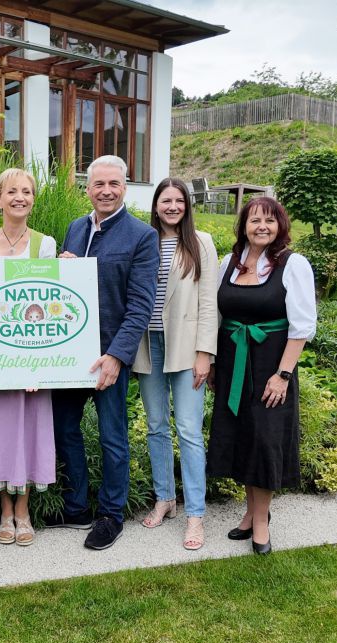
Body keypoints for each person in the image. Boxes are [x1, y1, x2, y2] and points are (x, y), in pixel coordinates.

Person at [46, 155, 158, 550]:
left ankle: (111, 513)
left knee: (113, 437)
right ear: (87, 188)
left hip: (108, 355)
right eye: (98, 184)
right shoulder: (75, 229)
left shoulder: (142, 236)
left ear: (125, 187)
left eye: (113, 184)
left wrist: (116, 356)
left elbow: (141, 305)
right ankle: (77, 505)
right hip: (69, 354)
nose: (106, 191)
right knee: (65, 429)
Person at [207, 197, 316, 555]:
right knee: (243, 438)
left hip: (271, 364)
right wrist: (212, 364)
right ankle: (250, 514)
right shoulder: (229, 262)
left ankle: (260, 522)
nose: (262, 227)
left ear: (280, 226)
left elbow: (301, 327)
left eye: (270, 221)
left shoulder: (292, 264)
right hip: (233, 362)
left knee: (265, 441)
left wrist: (283, 374)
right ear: (244, 225)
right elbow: (218, 316)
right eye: (255, 220)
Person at [0, 168, 58, 547]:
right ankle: (4, 510)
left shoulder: (46, 245)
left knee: (29, 429)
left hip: (32, 357)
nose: (19, 197)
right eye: (12, 192)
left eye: (26, 191)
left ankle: (23, 510)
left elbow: (53, 303)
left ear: (33, 198)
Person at [134, 178, 219, 551]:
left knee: (188, 430)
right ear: (155, 206)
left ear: (187, 205)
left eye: (178, 200)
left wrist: (205, 352)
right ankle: (165, 498)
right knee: (156, 426)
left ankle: (195, 515)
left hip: (186, 348)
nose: (172, 206)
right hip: (148, 346)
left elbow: (208, 303)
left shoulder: (201, 243)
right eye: (165, 200)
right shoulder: (144, 240)